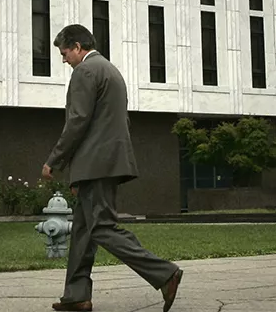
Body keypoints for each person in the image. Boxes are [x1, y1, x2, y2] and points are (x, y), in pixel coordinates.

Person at [42, 24, 183, 312]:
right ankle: (77, 296)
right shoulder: (111, 70)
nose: (64, 59)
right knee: (83, 230)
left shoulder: (85, 71)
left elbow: (78, 122)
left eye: (65, 52)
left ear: (79, 47)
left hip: (95, 164)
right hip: (104, 163)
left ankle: (164, 273)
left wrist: (55, 160)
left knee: (102, 227)